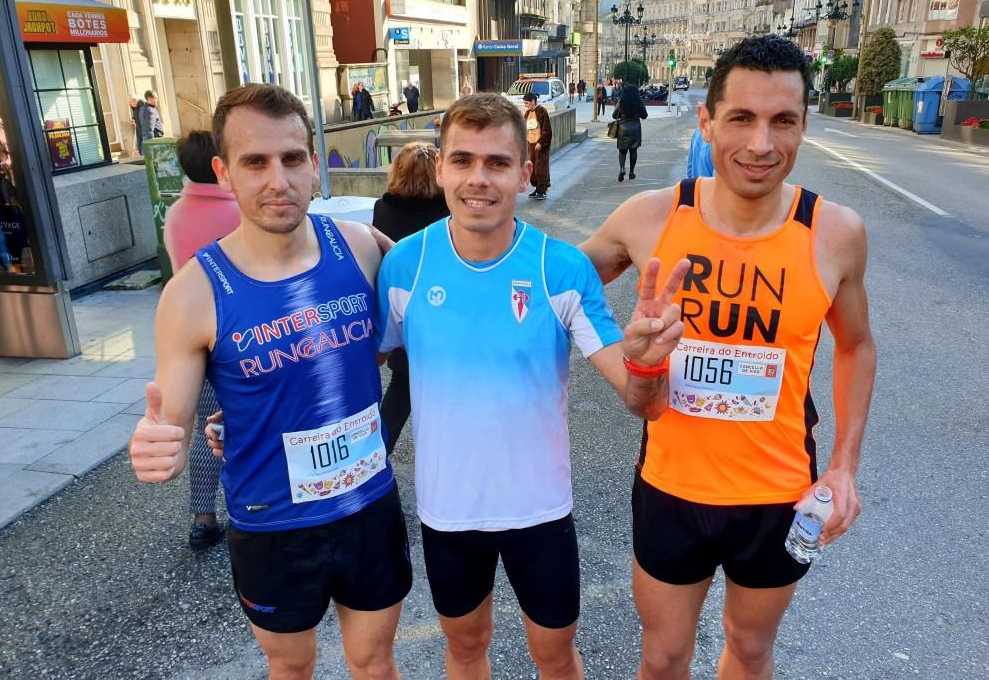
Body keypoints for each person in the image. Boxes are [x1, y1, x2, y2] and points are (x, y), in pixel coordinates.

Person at [579, 35, 876, 678]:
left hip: (779, 496)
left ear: (805, 125)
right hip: (672, 487)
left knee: (749, 649)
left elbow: (855, 344)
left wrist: (846, 467)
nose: (761, 144)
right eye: (741, 118)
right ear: (706, 121)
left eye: (783, 121)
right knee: (661, 658)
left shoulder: (836, 233)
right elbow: (557, 289)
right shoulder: (651, 217)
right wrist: (623, 358)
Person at [375, 91, 687, 680]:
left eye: (497, 163)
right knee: (466, 651)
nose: (479, 179)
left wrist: (646, 363)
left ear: (525, 171)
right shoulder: (404, 266)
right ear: (439, 168)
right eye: (463, 160)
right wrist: (250, 420)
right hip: (449, 513)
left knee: (554, 656)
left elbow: (640, 400)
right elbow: (358, 369)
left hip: (539, 513)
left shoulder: (560, 267)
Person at [128, 83, 411, 679]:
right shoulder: (193, 293)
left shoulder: (362, 248)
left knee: (375, 660)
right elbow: (170, 418)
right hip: (272, 525)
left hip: (368, 506)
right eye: (254, 162)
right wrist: (162, 445)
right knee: (291, 667)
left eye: (291, 158)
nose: (277, 179)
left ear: (314, 163)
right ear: (224, 172)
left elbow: (406, 338)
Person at [160, 130, 241, 550]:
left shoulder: (175, 214)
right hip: (242, 335)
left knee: (205, 427)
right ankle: (250, 505)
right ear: (220, 164)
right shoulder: (240, 214)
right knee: (245, 423)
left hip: (195, 337)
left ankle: (203, 515)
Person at [371, 142, 448, 455]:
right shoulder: (449, 209)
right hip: (446, 313)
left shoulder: (384, 208)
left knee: (401, 390)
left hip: (402, 314)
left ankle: (374, 459)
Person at [612, 83, 648, 182]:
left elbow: (614, 115)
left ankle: (622, 168)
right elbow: (644, 116)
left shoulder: (621, 101)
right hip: (635, 129)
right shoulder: (639, 102)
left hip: (623, 129)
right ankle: (631, 173)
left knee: (622, 151)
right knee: (633, 151)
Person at [523, 92, 551, 200]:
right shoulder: (527, 114)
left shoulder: (542, 111)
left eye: (527, 103)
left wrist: (541, 142)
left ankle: (542, 189)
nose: (526, 105)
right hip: (531, 144)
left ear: (533, 101)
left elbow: (547, 130)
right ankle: (537, 188)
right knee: (533, 167)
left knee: (541, 166)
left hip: (540, 145)